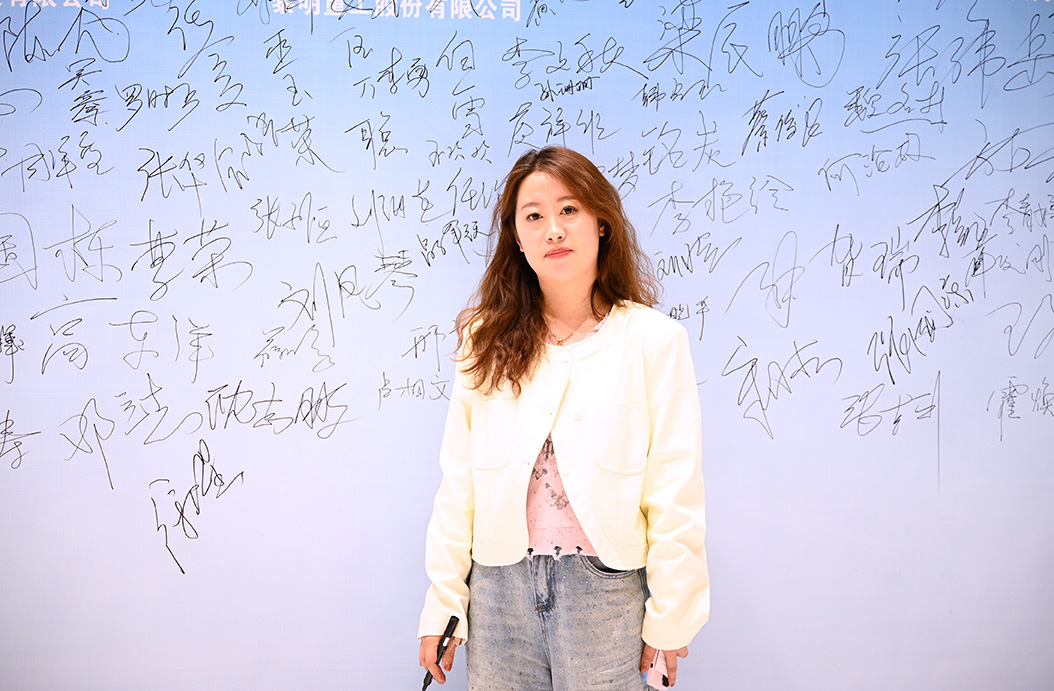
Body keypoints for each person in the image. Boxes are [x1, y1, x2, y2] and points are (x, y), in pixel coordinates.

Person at [418, 146, 709, 690]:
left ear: (602, 223)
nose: (553, 229)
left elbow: (675, 490)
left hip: (606, 593)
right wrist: (444, 602)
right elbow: (458, 483)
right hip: (497, 592)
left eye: (569, 209)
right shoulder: (483, 339)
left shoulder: (653, 340)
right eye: (533, 216)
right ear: (517, 237)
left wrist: (672, 617)